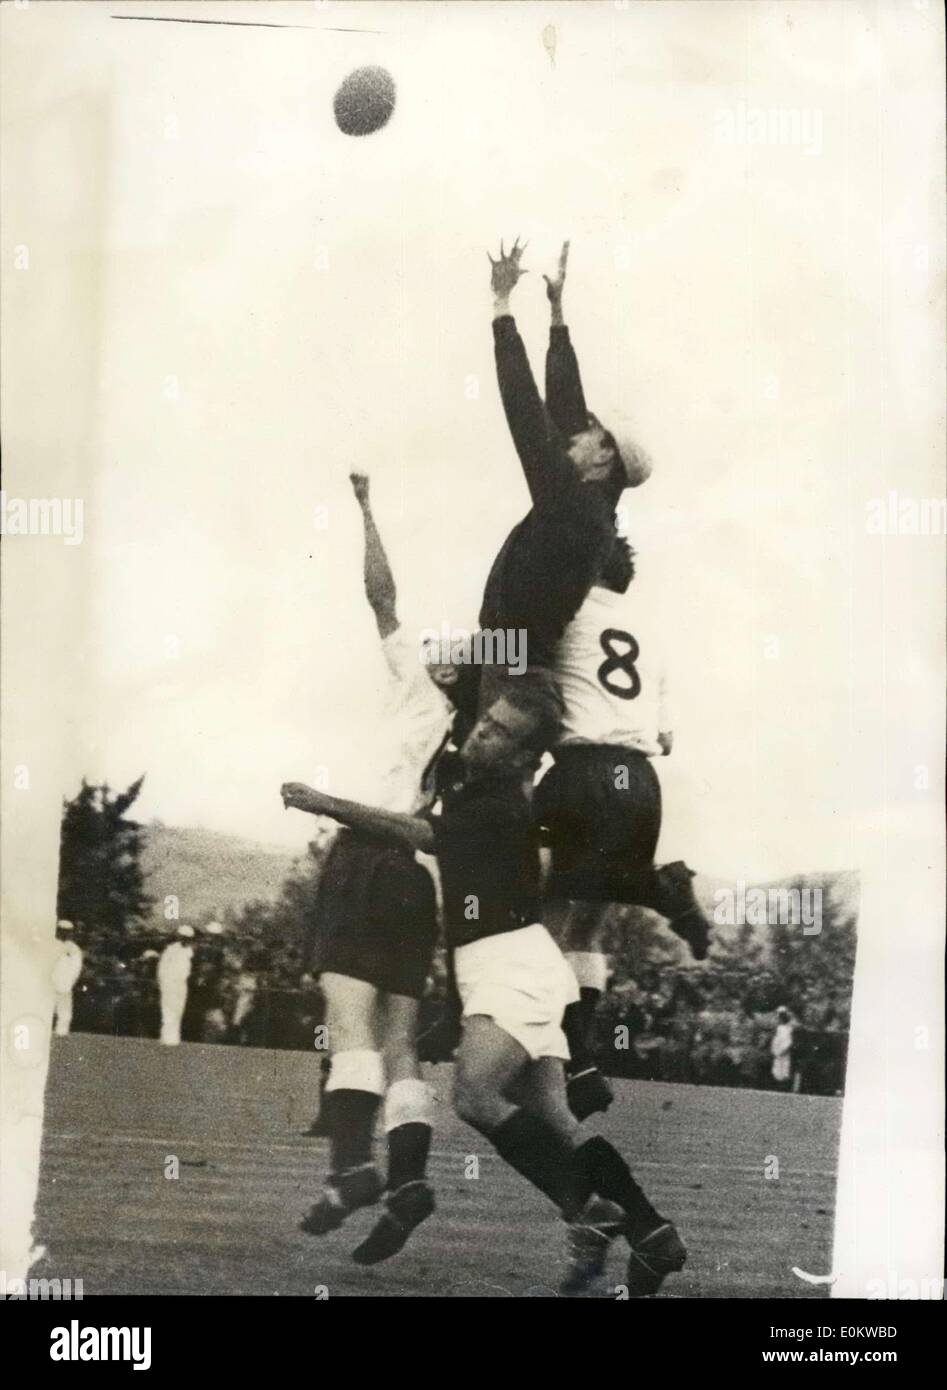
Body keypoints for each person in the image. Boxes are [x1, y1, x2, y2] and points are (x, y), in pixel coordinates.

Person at [281, 683, 686, 1297]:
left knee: (475, 1096)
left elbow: (416, 833)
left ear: (525, 757)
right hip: (520, 965)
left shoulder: (496, 803)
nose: (481, 734)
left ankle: (586, 1209)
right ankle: (655, 1237)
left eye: (498, 732)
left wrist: (325, 802)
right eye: (486, 723)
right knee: (553, 1117)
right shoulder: (492, 789)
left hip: (508, 967)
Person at [291, 471, 457, 1265]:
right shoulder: (485, 747)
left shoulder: (422, 691)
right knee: (401, 1043)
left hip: (364, 863)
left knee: (350, 1025)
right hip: (417, 882)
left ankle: (353, 1169)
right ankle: (410, 1180)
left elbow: (380, 598)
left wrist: (364, 506)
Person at [157, 924, 195, 1046]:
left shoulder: (190, 951)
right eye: (183, 937)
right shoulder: (171, 949)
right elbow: (162, 967)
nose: (185, 940)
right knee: (168, 1009)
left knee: (178, 1009)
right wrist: (163, 982)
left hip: (181, 984)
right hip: (169, 983)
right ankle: (167, 1037)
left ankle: (174, 1038)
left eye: (188, 938)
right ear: (179, 937)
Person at [51, 920, 83, 1037]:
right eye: (62, 931)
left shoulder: (74, 949)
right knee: (45, 1009)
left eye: (67, 932)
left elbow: (77, 968)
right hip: (49, 983)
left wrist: (70, 982)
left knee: (64, 1013)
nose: (64, 933)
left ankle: (61, 1033)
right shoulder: (50, 944)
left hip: (65, 984)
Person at [770, 1006, 795, 1091]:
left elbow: (788, 1042)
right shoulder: (778, 1028)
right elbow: (776, 1040)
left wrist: (781, 1051)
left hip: (784, 1053)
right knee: (777, 1069)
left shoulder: (788, 1028)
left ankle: (784, 1086)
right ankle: (777, 1085)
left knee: (784, 1070)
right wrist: (775, 1050)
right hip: (777, 1052)